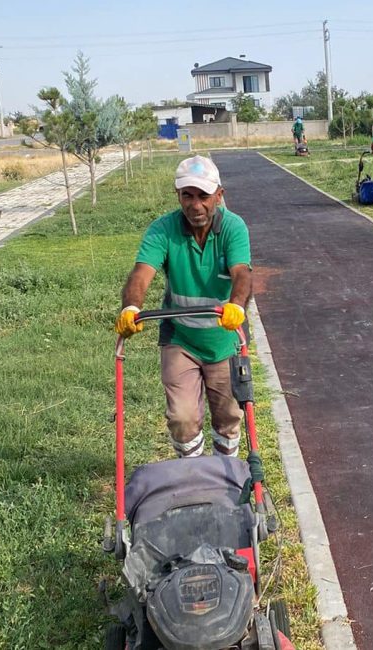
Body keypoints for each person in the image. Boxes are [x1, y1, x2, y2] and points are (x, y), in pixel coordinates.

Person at [114, 155, 253, 458]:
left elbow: (242, 273)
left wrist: (237, 305)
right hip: (181, 340)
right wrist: (131, 307)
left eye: (203, 196)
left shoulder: (233, 228)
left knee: (229, 416)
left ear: (219, 195)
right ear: (177, 195)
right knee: (182, 418)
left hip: (224, 341)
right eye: (186, 196)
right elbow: (141, 273)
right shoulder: (163, 229)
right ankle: (192, 470)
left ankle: (225, 472)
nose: (195, 205)